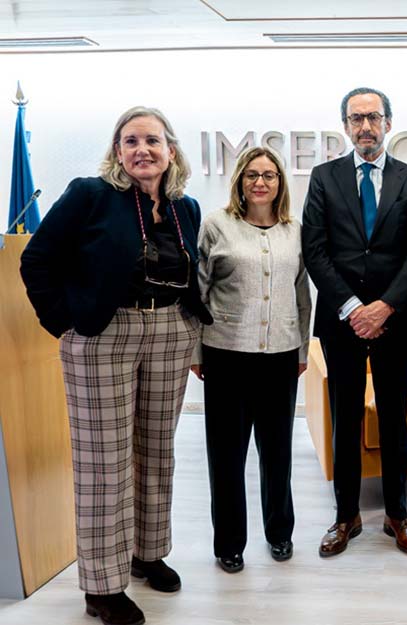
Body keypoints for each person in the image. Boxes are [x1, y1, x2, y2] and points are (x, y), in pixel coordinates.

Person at [20, 106, 212, 625]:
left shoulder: (183, 206)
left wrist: (192, 329)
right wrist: (64, 323)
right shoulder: (90, 195)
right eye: (130, 141)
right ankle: (102, 587)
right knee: (105, 464)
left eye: (152, 140)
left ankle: (148, 553)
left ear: (171, 150)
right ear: (117, 151)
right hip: (104, 334)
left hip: (169, 331)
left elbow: (190, 272)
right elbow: (36, 260)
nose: (141, 150)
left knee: (156, 451)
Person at [302, 87, 407, 556]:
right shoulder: (324, 177)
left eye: (373, 117)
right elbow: (315, 251)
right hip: (342, 321)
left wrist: (385, 306)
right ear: (346, 126)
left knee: (395, 418)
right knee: (346, 417)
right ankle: (346, 515)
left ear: (388, 123)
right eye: (356, 119)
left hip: (396, 321)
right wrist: (354, 307)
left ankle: (397, 514)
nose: (365, 127)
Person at [191, 146, 312, 573]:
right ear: (240, 181)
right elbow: (198, 291)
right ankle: (229, 543)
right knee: (226, 456)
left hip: (280, 355)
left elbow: (302, 295)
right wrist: (196, 350)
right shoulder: (216, 226)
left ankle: (280, 533)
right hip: (226, 354)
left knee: (277, 454)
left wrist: (301, 348)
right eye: (252, 175)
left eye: (270, 175)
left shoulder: (294, 231)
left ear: (280, 183)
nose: (261, 182)